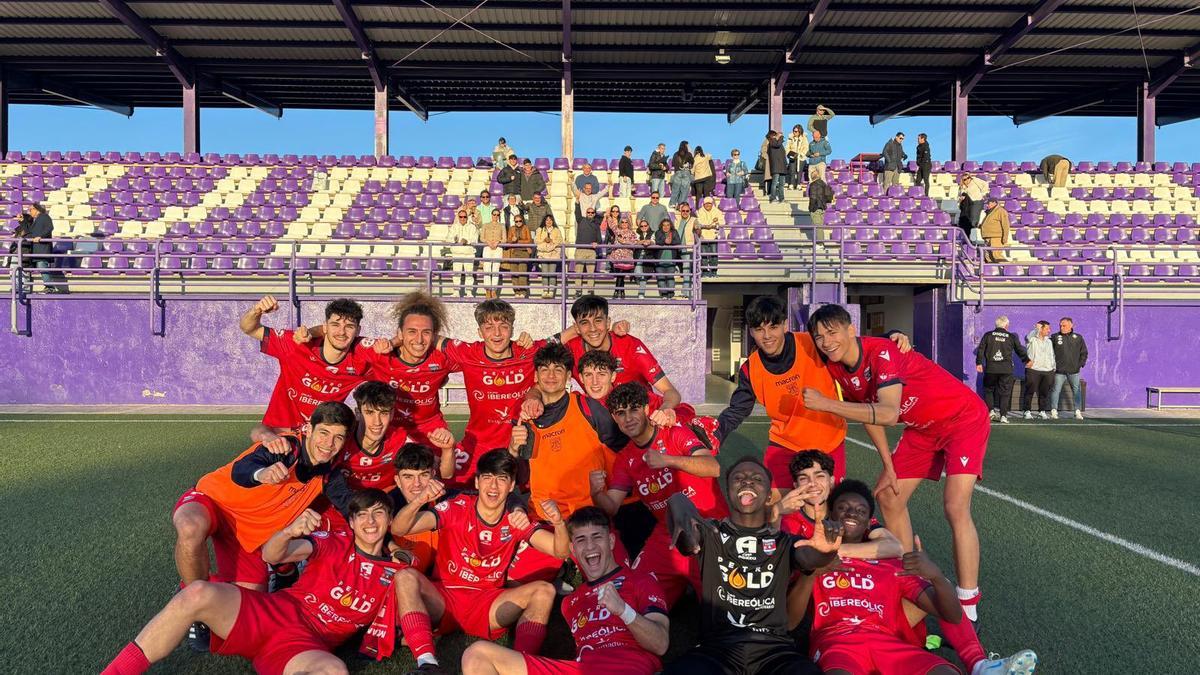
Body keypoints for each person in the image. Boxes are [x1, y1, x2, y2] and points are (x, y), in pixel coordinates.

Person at [803, 303, 992, 624]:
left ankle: (967, 601)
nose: (826, 341)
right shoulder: (836, 366)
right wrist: (888, 463)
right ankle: (910, 577)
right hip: (923, 427)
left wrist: (826, 405)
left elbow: (888, 413)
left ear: (852, 330)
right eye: (819, 337)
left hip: (962, 417)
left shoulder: (883, 353)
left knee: (955, 506)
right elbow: (870, 414)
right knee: (889, 495)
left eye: (832, 332)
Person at [102, 490, 406, 675]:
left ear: (390, 519)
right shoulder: (333, 542)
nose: (370, 522)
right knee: (197, 592)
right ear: (351, 522)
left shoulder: (397, 574)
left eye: (378, 514)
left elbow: (421, 608)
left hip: (303, 643)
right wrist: (288, 532)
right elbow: (274, 554)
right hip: (272, 613)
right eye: (362, 515)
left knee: (333, 670)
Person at [794, 482, 1039, 675]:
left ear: (869, 521)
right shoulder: (815, 556)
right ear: (831, 514)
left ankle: (978, 663)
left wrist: (936, 576)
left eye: (860, 511)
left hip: (887, 642)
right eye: (843, 507)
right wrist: (815, 567)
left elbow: (952, 615)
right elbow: (790, 618)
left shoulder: (889, 564)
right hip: (838, 642)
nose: (852, 513)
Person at [171, 401, 357, 648]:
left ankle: (205, 586)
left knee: (245, 608)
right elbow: (242, 470)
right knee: (190, 528)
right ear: (308, 430)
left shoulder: (328, 476)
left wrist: (386, 534)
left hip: (246, 534)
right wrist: (262, 474)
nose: (329, 443)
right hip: (214, 501)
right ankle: (193, 600)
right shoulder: (285, 447)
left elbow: (353, 509)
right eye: (324, 433)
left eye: (338, 438)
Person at [391, 449, 568, 674]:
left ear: (512, 485)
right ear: (477, 481)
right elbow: (400, 528)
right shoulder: (456, 507)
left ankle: (521, 664)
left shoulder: (515, 518)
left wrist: (559, 523)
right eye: (487, 478)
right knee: (405, 576)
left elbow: (559, 551)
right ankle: (427, 664)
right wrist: (419, 500)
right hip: (446, 597)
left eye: (501, 479)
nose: (493, 487)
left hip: (488, 603)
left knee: (544, 591)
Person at [663, 457, 841, 675]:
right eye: (739, 478)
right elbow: (687, 541)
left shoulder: (784, 541)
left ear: (768, 496)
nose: (747, 482)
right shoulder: (710, 532)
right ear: (728, 491)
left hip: (774, 652)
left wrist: (827, 551)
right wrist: (677, 500)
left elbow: (809, 558)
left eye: (757, 479)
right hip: (718, 649)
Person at [460, 507, 670, 675]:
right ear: (573, 550)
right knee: (476, 655)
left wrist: (623, 610)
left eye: (597, 537)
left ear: (611, 541)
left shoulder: (641, 580)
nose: (589, 547)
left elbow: (660, 644)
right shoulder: (571, 603)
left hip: (627, 668)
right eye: (581, 540)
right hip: (579, 669)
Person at [590, 383, 725, 608]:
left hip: (709, 526)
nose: (628, 418)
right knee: (635, 598)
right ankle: (679, 583)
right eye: (620, 413)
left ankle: (693, 582)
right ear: (614, 418)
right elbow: (611, 506)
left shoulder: (674, 432)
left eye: (634, 409)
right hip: (668, 534)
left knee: (724, 611)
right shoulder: (626, 458)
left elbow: (713, 467)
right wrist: (596, 493)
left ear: (645, 409)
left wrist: (669, 460)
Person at [715, 295, 848, 488]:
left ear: (785, 325)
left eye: (773, 327)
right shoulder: (750, 369)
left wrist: (892, 337)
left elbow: (853, 348)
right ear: (751, 332)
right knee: (775, 507)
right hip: (785, 445)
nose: (767, 336)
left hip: (828, 442)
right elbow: (736, 411)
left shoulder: (813, 344)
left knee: (827, 509)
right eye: (759, 329)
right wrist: (714, 436)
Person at [439, 300, 546, 485]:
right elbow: (424, 337)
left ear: (512, 329)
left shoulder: (527, 352)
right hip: (478, 443)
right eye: (489, 327)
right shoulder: (468, 353)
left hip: (521, 442)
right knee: (449, 487)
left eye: (503, 326)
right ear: (480, 332)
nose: (497, 333)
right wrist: (396, 340)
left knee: (532, 497)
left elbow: (568, 336)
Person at [241, 296, 371, 435]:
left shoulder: (362, 361)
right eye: (335, 324)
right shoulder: (296, 345)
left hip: (319, 441)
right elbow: (249, 328)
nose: (341, 332)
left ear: (358, 331)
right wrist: (257, 310)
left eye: (349, 326)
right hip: (278, 435)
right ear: (325, 327)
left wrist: (392, 343)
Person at [975, 315, 1030, 423]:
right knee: (1005, 392)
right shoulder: (1011, 336)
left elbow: (981, 349)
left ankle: (991, 411)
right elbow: (1019, 349)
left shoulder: (988, 335)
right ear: (1006, 325)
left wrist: (979, 363)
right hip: (1006, 369)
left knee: (988, 390)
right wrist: (1027, 360)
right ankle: (1003, 415)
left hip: (991, 368)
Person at [23, 202, 67, 293]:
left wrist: (41, 237)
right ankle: (48, 286)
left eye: (30, 210)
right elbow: (29, 231)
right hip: (37, 249)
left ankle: (50, 287)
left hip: (42, 248)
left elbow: (50, 227)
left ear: (36, 209)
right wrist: (21, 221)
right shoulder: (36, 220)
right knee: (41, 267)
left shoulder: (44, 217)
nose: (29, 212)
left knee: (42, 266)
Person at [1049, 317, 1088, 419]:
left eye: (1064, 325)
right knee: (1056, 390)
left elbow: (1084, 352)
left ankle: (1077, 411)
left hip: (1074, 371)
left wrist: (1079, 364)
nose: (1062, 327)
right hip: (1059, 371)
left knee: (1076, 391)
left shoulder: (1078, 337)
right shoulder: (1054, 337)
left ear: (1071, 325)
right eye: (1060, 325)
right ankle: (1054, 411)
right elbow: (1047, 351)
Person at [1022, 320, 1056, 420]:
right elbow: (1027, 336)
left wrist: (1053, 367)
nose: (1049, 330)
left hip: (1048, 370)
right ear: (1040, 328)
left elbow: (1052, 355)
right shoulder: (1031, 339)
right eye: (1047, 328)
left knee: (1044, 392)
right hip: (1033, 369)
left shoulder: (1049, 341)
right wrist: (1036, 328)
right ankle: (1027, 411)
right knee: (1030, 391)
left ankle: (1042, 411)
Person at [448, 208, 481, 296]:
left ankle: (469, 292)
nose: (462, 218)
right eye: (461, 217)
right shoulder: (454, 226)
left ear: (467, 217)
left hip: (469, 253)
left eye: (464, 217)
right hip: (457, 253)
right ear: (458, 217)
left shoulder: (472, 226)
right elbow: (448, 238)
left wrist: (467, 241)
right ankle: (456, 292)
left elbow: (475, 239)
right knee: (456, 274)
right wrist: (453, 239)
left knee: (469, 274)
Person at [535, 214, 564, 300]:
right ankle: (545, 290)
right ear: (544, 221)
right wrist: (544, 240)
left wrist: (552, 241)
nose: (549, 222)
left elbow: (560, 240)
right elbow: (536, 240)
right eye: (547, 220)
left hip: (553, 254)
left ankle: (551, 291)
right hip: (543, 254)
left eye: (550, 220)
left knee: (552, 273)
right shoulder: (540, 230)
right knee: (544, 273)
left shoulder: (557, 230)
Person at [504, 213, 534, 298]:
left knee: (522, 272)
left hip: (523, 252)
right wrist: (512, 241)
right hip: (514, 251)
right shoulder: (512, 228)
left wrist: (517, 241)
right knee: (514, 273)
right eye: (516, 221)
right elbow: (508, 241)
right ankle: (516, 291)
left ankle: (523, 292)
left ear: (522, 221)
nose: (518, 222)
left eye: (520, 221)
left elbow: (529, 241)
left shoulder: (526, 228)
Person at [575, 206, 602, 297]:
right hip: (580, 250)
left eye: (592, 213)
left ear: (594, 214)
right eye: (588, 212)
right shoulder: (581, 220)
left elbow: (599, 239)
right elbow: (577, 212)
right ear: (586, 213)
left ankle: (590, 291)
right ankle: (578, 291)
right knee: (578, 272)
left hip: (591, 251)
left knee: (591, 273)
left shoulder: (596, 225)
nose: (590, 214)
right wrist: (577, 202)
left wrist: (597, 242)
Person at [610, 214, 638, 299]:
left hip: (626, 257)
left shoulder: (632, 233)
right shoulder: (617, 230)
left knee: (620, 274)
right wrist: (608, 215)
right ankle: (621, 291)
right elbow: (611, 224)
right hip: (617, 257)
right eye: (622, 222)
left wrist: (623, 242)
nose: (624, 223)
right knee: (620, 274)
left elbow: (634, 243)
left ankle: (617, 291)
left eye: (626, 222)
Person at [481, 209, 506, 298]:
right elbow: (481, 238)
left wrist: (498, 242)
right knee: (487, 268)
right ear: (491, 215)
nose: (495, 216)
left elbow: (504, 239)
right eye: (494, 214)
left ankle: (494, 290)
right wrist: (488, 242)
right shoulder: (485, 225)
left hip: (498, 248)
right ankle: (487, 289)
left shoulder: (502, 226)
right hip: (487, 247)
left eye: (497, 215)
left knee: (495, 268)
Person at [653, 217, 681, 299]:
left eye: (668, 225)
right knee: (661, 280)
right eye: (664, 225)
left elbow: (678, 242)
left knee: (670, 279)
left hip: (671, 262)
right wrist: (664, 241)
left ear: (670, 226)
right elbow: (657, 241)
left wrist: (670, 242)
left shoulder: (674, 232)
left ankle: (671, 294)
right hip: (659, 262)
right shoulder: (658, 232)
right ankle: (664, 295)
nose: (666, 227)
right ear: (661, 226)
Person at [677, 202, 700, 297]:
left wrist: (697, 230)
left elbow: (698, 229)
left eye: (687, 211)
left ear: (690, 211)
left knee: (686, 271)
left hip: (688, 249)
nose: (685, 212)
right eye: (683, 211)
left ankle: (685, 293)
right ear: (680, 211)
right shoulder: (677, 220)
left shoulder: (694, 220)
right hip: (677, 249)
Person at [979, 197, 1011, 263]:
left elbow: (1005, 225)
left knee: (997, 256)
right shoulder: (990, 212)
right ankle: (991, 272)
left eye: (988, 203)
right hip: (987, 238)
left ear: (994, 203)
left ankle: (1009, 269)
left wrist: (1005, 238)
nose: (987, 205)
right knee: (988, 257)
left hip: (996, 238)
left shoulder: (1000, 211)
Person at [633, 218, 656, 298]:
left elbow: (653, 241)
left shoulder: (653, 233)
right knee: (639, 275)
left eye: (645, 226)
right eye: (642, 226)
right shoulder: (637, 233)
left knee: (643, 276)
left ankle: (641, 294)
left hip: (648, 256)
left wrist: (649, 242)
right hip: (638, 256)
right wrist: (643, 242)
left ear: (648, 226)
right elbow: (635, 242)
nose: (643, 227)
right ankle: (640, 291)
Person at [669, 141, 694, 208]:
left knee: (675, 189)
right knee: (684, 190)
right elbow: (692, 162)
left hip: (677, 172)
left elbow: (673, 164)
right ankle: (681, 204)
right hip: (686, 172)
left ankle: (672, 203)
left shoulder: (675, 154)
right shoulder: (688, 154)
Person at [767, 131, 788, 204]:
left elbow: (783, 155)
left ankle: (781, 198)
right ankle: (773, 198)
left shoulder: (779, 143)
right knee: (775, 183)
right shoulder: (772, 142)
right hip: (776, 166)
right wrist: (781, 138)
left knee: (782, 184)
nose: (781, 137)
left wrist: (786, 163)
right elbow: (777, 145)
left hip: (782, 166)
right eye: (778, 135)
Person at [786, 125, 809, 190]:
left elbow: (806, 147)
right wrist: (789, 153)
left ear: (799, 131)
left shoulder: (804, 138)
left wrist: (801, 154)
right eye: (794, 131)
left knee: (799, 171)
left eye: (796, 131)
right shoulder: (790, 138)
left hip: (801, 157)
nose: (794, 133)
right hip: (792, 156)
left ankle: (798, 184)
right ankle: (791, 184)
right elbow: (787, 147)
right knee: (792, 170)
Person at [619, 145, 636, 209]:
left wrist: (632, 182)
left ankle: (627, 207)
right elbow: (621, 168)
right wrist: (624, 175)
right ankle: (622, 207)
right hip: (624, 177)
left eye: (630, 152)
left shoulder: (630, 161)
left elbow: (631, 172)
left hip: (629, 178)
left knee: (628, 194)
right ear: (624, 152)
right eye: (628, 151)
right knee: (623, 193)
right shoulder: (623, 159)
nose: (629, 153)